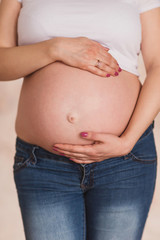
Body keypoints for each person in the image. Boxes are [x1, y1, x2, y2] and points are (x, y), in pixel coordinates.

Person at [0, 0, 160, 239]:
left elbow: (158, 64)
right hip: (44, 164)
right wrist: (54, 48)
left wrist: (127, 141)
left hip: (124, 161)